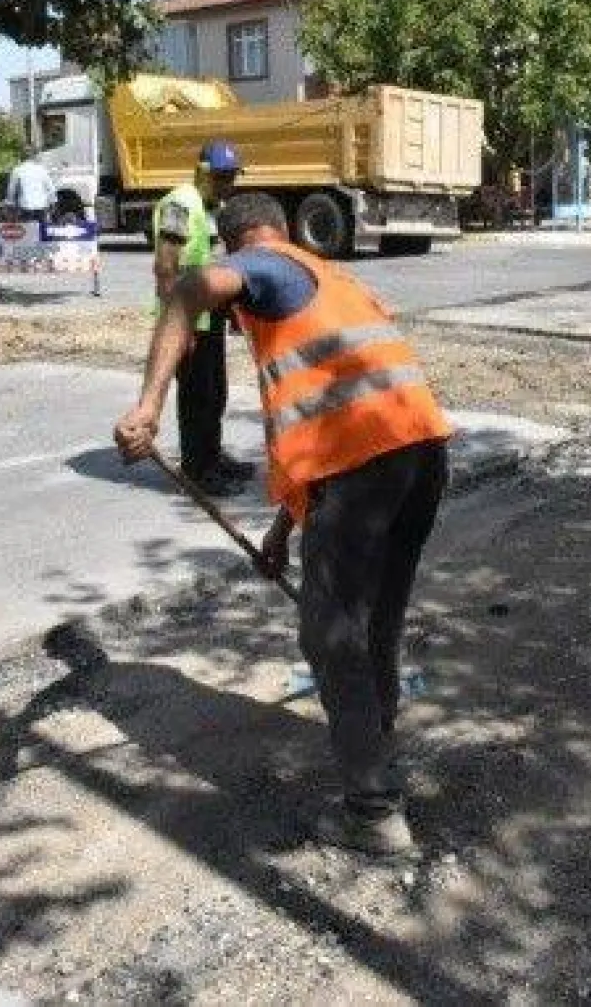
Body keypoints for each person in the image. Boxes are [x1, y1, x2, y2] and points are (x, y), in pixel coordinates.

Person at [114, 192, 451, 857]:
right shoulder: (332, 280)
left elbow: (185, 290)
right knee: (373, 624)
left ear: (241, 240)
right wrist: (279, 535)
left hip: (369, 469)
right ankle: (377, 748)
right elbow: (330, 427)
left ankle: (373, 811)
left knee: (332, 637)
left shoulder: (265, 263)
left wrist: (149, 405)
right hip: (418, 457)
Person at [152, 140, 255, 494]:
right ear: (202, 173)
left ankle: (212, 456)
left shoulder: (210, 206)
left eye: (232, 178)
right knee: (197, 397)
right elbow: (166, 267)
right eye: (223, 177)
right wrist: (177, 326)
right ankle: (197, 470)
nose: (229, 185)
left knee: (215, 392)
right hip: (187, 320)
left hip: (208, 317)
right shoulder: (180, 205)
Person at [6, 144, 57, 223]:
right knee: (41, 232)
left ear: (22, 156)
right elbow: (50, 189)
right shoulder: (42, 169)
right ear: (34, 156)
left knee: (28, 233)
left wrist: (10, 204)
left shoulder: (17, 170)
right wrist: (53, 204)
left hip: (25, 208)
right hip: (41, 207)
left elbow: (11, 190)